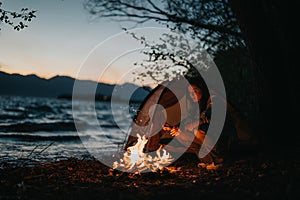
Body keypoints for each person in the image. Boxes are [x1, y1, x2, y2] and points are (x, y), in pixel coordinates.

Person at [161, 79, 233, 164]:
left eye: (195, 91)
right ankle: (209, 160)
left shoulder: (213, 99)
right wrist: (175, 127)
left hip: (222, 138)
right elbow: (188, 120)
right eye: (189, 93)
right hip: (209, 138)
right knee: (179, 134)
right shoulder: (197, 105)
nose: (192, 95)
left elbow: (210, 117)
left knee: (198, 131)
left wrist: (192, 125)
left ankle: (219, 158)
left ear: (201, 89)